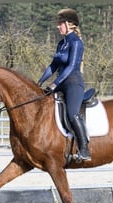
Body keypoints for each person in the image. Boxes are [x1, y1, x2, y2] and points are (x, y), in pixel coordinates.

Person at [38, 8, 91, 161]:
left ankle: (84, 148)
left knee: (72, 113)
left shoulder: (76, 42)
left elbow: (71, 67)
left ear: (70, 24)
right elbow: (53, 66)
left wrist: (54, 83)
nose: (57, 26)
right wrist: (40, 82)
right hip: (61, 82)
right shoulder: (61, 43)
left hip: (73, 83)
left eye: (60, 23)